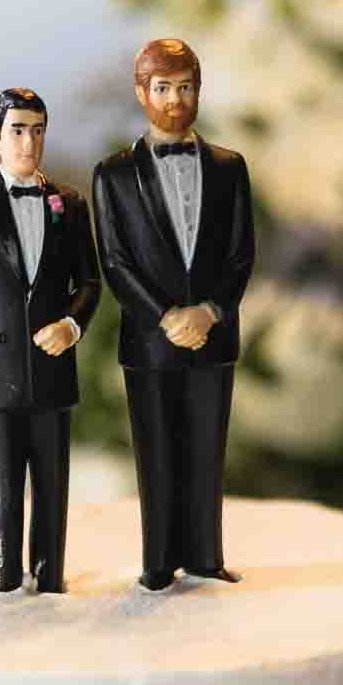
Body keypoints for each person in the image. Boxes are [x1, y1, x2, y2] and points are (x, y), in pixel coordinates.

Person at [92, 39, 255, 591]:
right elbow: (114, 260)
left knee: (208, 451)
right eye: (163, 88)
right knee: (156, 455)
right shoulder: (112, 176)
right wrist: (165, 315)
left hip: (213, 336)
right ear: (142, 93)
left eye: (185, 87)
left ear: (199, 92)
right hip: (151, 340)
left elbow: (241, 254)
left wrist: (210, 311)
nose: (175, 99)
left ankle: (206, 556)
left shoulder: (231, 168)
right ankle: (158, 561)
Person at [0, 87, 101, 593]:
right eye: (17, 129)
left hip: (54, 378)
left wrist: (72, 324)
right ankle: (5, 580)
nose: (28, 142)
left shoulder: (69, 204)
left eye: (37, 130)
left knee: (53, 491)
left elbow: (91, 283)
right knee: (6, 493)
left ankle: (50, 578)